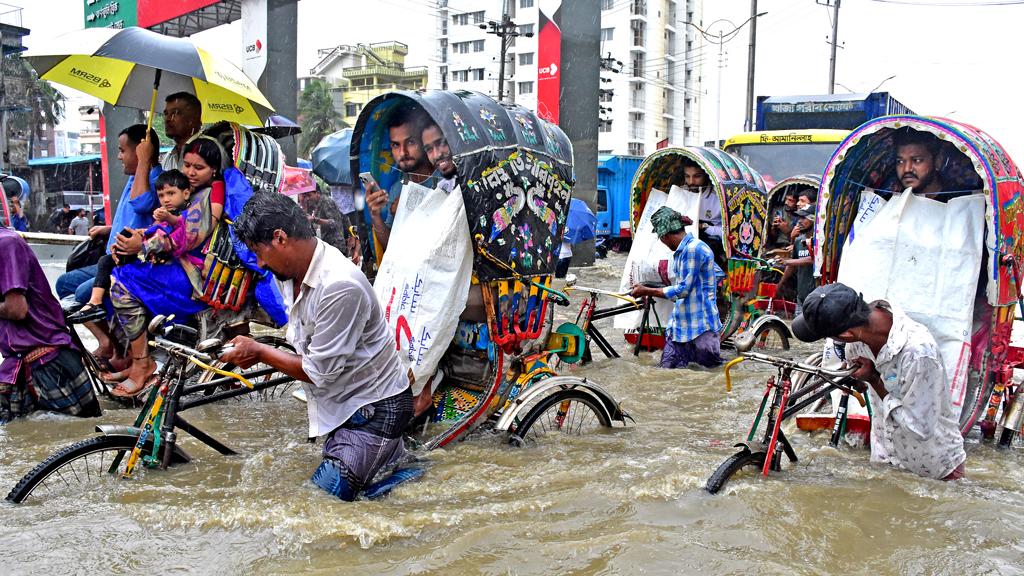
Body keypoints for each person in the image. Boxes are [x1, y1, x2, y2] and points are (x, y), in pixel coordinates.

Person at [222, 192, 413, 501]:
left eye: (259, 251)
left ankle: (404, 469)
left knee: (322, 504)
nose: (259, 262)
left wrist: (259, 351)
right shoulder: (292, 273)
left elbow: (318, 371)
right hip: (344, 404)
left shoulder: (338, 285)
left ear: (280, 238)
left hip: (374, 408)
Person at [792, 283, 967, 480]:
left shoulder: (918, 353)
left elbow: (920, 428)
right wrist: (856, 380)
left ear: (845, 335)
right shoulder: (856, 336)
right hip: (885, 456)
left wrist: (875, 380)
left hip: (932, 469)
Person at [105, 138, 227, 397]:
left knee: (121, 284)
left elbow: (187, 238)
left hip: (193, 277)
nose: (191, 173)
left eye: (199, 168)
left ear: (213, 170)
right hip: (176, 268)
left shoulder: (207, 196)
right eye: (187, 165)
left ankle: (142, 363)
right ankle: (136, 357)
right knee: (116, 273)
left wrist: (141, 247)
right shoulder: (187, 193)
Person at [0, 227, 101, 423]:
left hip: (49, 366)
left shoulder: (6, 244)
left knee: (79, 441)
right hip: (19, 365)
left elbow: (16, 309)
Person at [68, 170, 192, 324]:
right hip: (153, 259)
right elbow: (151, 231)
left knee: (115, 278)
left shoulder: (187, 215)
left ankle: (96, 302)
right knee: (107, 260)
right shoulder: (162, 215)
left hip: (169, 266)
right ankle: (95, 302)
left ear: (186, 194)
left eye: (171, 194)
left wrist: (165, 221)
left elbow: (179, 233)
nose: (166, 199)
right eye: (161, 196)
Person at [630, 206, 723, 369]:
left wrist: (646, 291)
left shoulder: (693, 249)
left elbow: (683, 290)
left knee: (708, 375)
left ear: (664, 236)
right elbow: (715, 273)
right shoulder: (687, 250)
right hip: (681, 326)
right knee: (666, 372)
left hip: (700, 327)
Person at [364, 104, 437, 253]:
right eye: (396, 145)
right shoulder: (398, 188)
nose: (402, 152)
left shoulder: (447, 180)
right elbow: (390, 246)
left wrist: (409, 213)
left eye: (410, 142)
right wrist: (376, 216)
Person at [298, 178, 358, 263]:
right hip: (326, 247)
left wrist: (315, 219)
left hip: (335, 246)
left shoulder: (326, 202)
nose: (307, 198)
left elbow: (333, 223)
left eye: (309, 195)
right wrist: (303, 204)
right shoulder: (313, 205)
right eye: (305, 196)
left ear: (317, 193)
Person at [682, 160, 727, 270]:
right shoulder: (681, 193)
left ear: (706, 176)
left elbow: (727, 232)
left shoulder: (719, 198)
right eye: (687, 176)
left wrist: (703, 227)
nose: (691, 182)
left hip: (711, 243)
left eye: (697, 176)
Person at [777, 206, 815, 312]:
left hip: (816, 296)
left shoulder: (820, 240)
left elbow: (813, 259)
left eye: (804, 218)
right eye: (799, 218)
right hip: (801, 295)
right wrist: (781, 283)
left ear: (813, 219)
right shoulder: (799, 240)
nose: (799, 221)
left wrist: (787, 261)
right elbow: (791, 266)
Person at [893, 128, 945, 198]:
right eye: (900, 161)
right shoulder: (889, 203)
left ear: (937, 161)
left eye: (917, 160)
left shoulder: (958, 202)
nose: (907, 169)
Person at [161, 92, 203, 170]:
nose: (167, 119)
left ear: (192, 119)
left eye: (175, 113)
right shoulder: (168, 157)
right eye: (166, 114)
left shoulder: (210, 150)